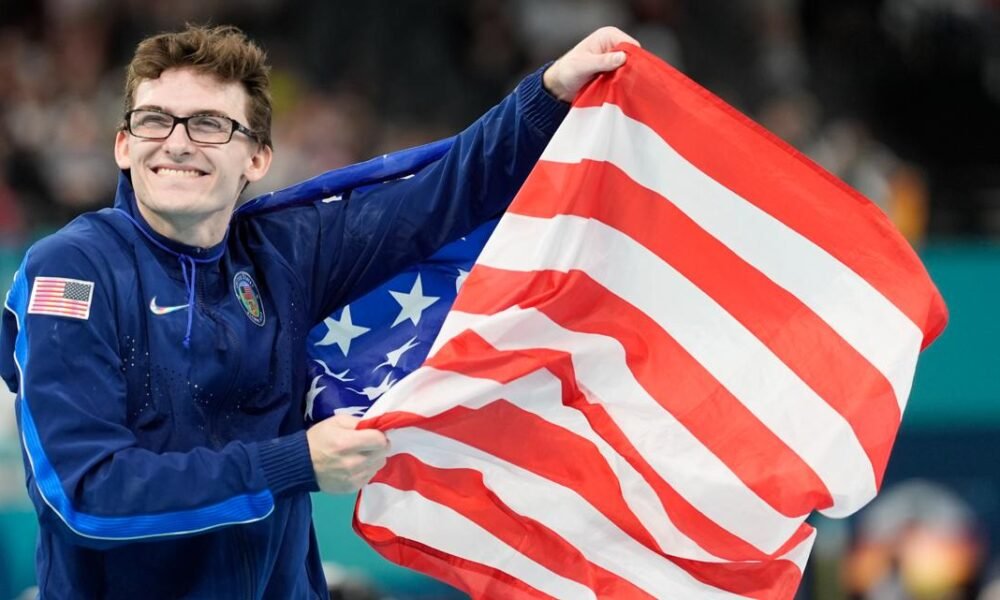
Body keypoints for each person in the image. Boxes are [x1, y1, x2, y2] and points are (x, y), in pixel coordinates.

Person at [0, 23, 638, 599]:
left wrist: (551, 93)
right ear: (122, 144)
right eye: (154, 121)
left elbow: (443, 194)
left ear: (257, 157)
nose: (177, 143)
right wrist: (296, 463)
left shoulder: (281, 253)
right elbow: (85, 496)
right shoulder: (72, 269)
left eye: (209, 124)